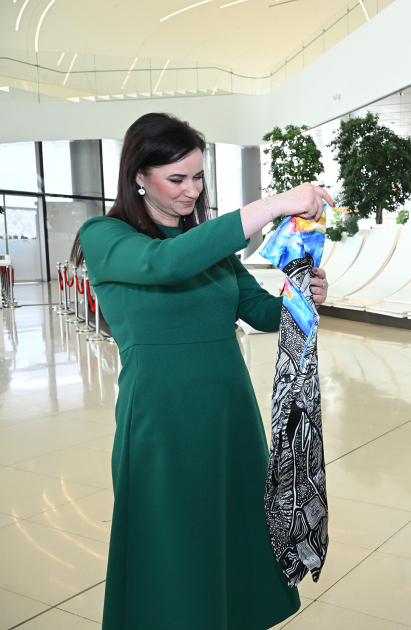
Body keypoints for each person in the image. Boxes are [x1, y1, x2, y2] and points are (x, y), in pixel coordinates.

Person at [75, 113, 334, 630]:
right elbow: (164, 264)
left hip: (229, 414)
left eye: (198, 177)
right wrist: (274, 204)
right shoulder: (107, 236)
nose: (192, 190)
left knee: (231, 534)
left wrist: (301, 296)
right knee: (170, 540)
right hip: (164, 419)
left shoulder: (213, 249)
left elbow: (261, 313)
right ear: (139, 177)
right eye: (177, 178)